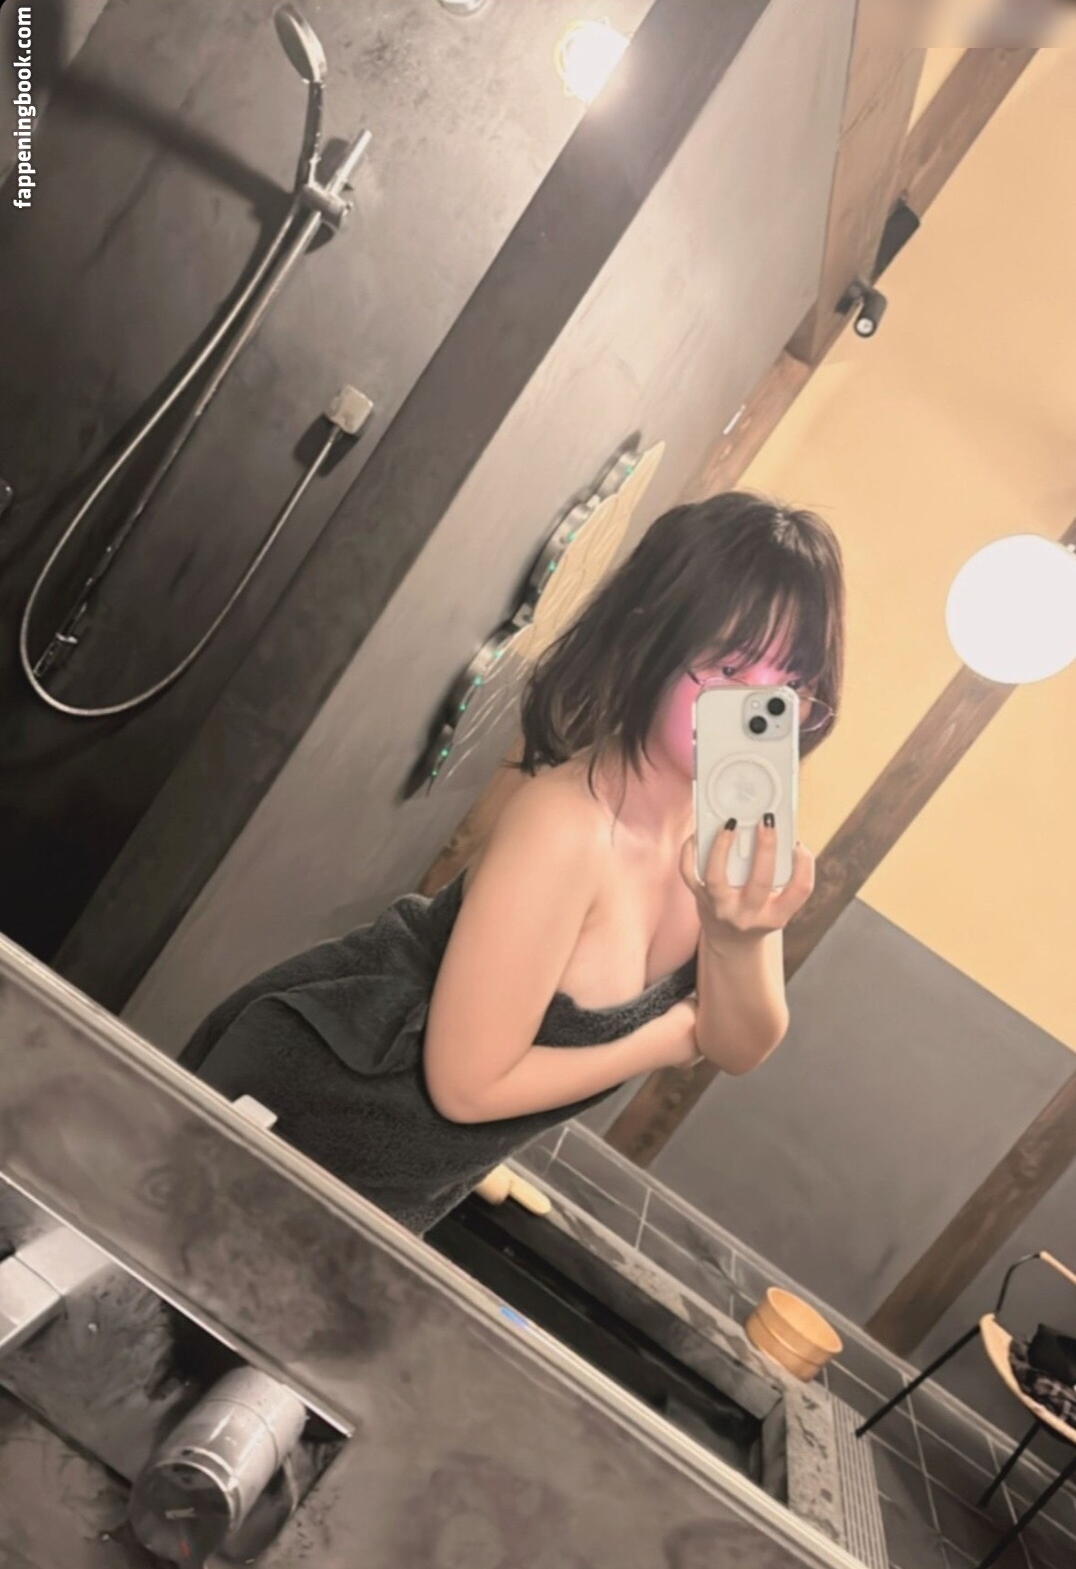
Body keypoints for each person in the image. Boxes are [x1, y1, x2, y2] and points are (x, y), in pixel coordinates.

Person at [181, 489, 846, 1234]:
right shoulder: (566, 824)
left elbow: (737, 1043)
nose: (758, 711)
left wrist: (739, 935)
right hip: (307, 1108)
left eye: (792, 684)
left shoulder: (730, 836)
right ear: (648, 641)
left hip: (402, 1175)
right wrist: (660, 1041)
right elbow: (467, 1087)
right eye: (729, 667)